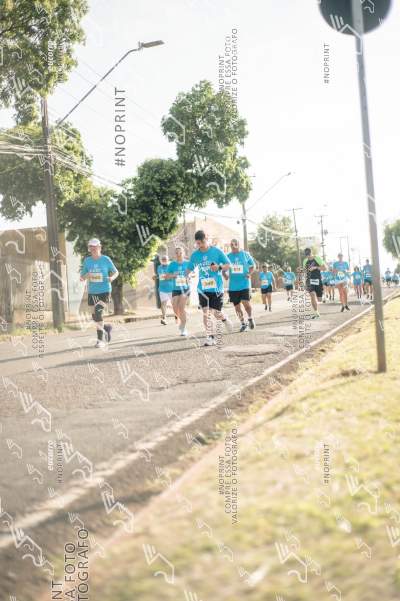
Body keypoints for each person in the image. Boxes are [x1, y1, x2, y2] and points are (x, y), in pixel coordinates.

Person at [186, 230, 232, 346]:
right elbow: (189, 268)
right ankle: (210, 337)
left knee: (216, 313)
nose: (200, 245)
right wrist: (186, 276)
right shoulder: (195, 255)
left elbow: (228, 265)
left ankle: (224, 319)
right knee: (206, 313)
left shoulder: (216, 251)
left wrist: (219, 267)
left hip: (216, 288)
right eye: (198, 243)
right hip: (203, 288)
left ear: (206, 239)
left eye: (202, 242)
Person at [80, 238, 119, 348]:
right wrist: (86, 275)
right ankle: (106, 328)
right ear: (89, 249)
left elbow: (116, 272)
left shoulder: (106, 259)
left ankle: (100, 341)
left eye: (95, 247)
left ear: (99, 247)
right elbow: (82, 277)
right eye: (91, 247)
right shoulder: (87, 261)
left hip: (105, 290)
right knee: (95, 316)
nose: (93, 249)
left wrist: (111, 278)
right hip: (92, 292)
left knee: (98, 312)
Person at [225, 238, 256, 331]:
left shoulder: (245, 254)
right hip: (233, 286)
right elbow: (223, 268)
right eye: (232, 244)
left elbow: (253, 266)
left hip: (244, 284)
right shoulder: (228, 256)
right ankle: (243, 323)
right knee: (237, 307)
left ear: (239, 244)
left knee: (246, 304)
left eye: (235, 244)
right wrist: (224, 274)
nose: (233, 246)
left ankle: (250, 318)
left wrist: (249, 273)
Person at [166, 246, 191, 336]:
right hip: (176, 289)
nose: (178, 254)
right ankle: (184, 317)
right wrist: (174, 275)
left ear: (183, 253)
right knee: (175, 308)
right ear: (175, 254)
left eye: (180, 252)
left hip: (185, 288)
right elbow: (167, 276)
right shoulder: (172, 264)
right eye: (177, 253)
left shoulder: (187, 263)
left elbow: (193, 274)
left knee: (181, 307)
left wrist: (189, 276)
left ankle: (183, 327)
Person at [302, 248, 326, 319]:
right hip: (309, 280)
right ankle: (316, 313)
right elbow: (305, 271)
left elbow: (325, 268)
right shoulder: (305, 261)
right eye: (306, 255)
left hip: (317, 280)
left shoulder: (317, 258)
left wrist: (315, 267)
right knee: (312, 295)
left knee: (319, 299)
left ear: (311, 253)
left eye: (309, 254)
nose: (308, 256)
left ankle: (323, 295)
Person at [154, 255, 174, 325]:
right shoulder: (159, 267)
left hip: (171, 288)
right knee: (163, 303)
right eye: (163, 259)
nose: (164, 260)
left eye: (165, 259)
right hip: (162, 288)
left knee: (174, 303)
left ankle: (177, 316)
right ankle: (164, 318)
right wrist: (156, 277)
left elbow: (172, 276)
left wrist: (166, 276)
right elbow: (160, 276)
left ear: (168, 260)